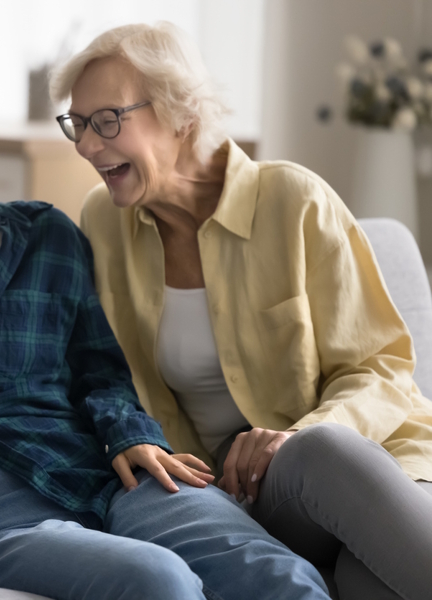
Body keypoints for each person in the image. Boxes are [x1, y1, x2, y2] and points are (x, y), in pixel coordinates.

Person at [0, 30, 330, 600]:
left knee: (279, 576)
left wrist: (131, 435)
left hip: (101, 467)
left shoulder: (44, 233)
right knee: (157, 582)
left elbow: (101, 372)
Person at [50, 21, 432, 600]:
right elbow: (94, 368)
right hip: (248, 497)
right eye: (78, 124)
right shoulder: (103, 221)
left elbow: (381, 367)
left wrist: (296, 436)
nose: (84, 145)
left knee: (362, 578)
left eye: (106, 121)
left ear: (182, 113)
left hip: (378, 467)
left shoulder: (294, 201)